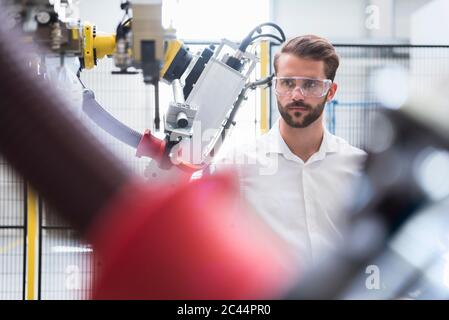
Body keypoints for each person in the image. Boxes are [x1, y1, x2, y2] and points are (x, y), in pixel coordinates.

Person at [215, 35, 367, 268]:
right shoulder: (237, 165)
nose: (297, 95)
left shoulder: (358, 167)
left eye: (310, 84)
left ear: (331, 91)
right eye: (287, 83)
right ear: (276, 86)